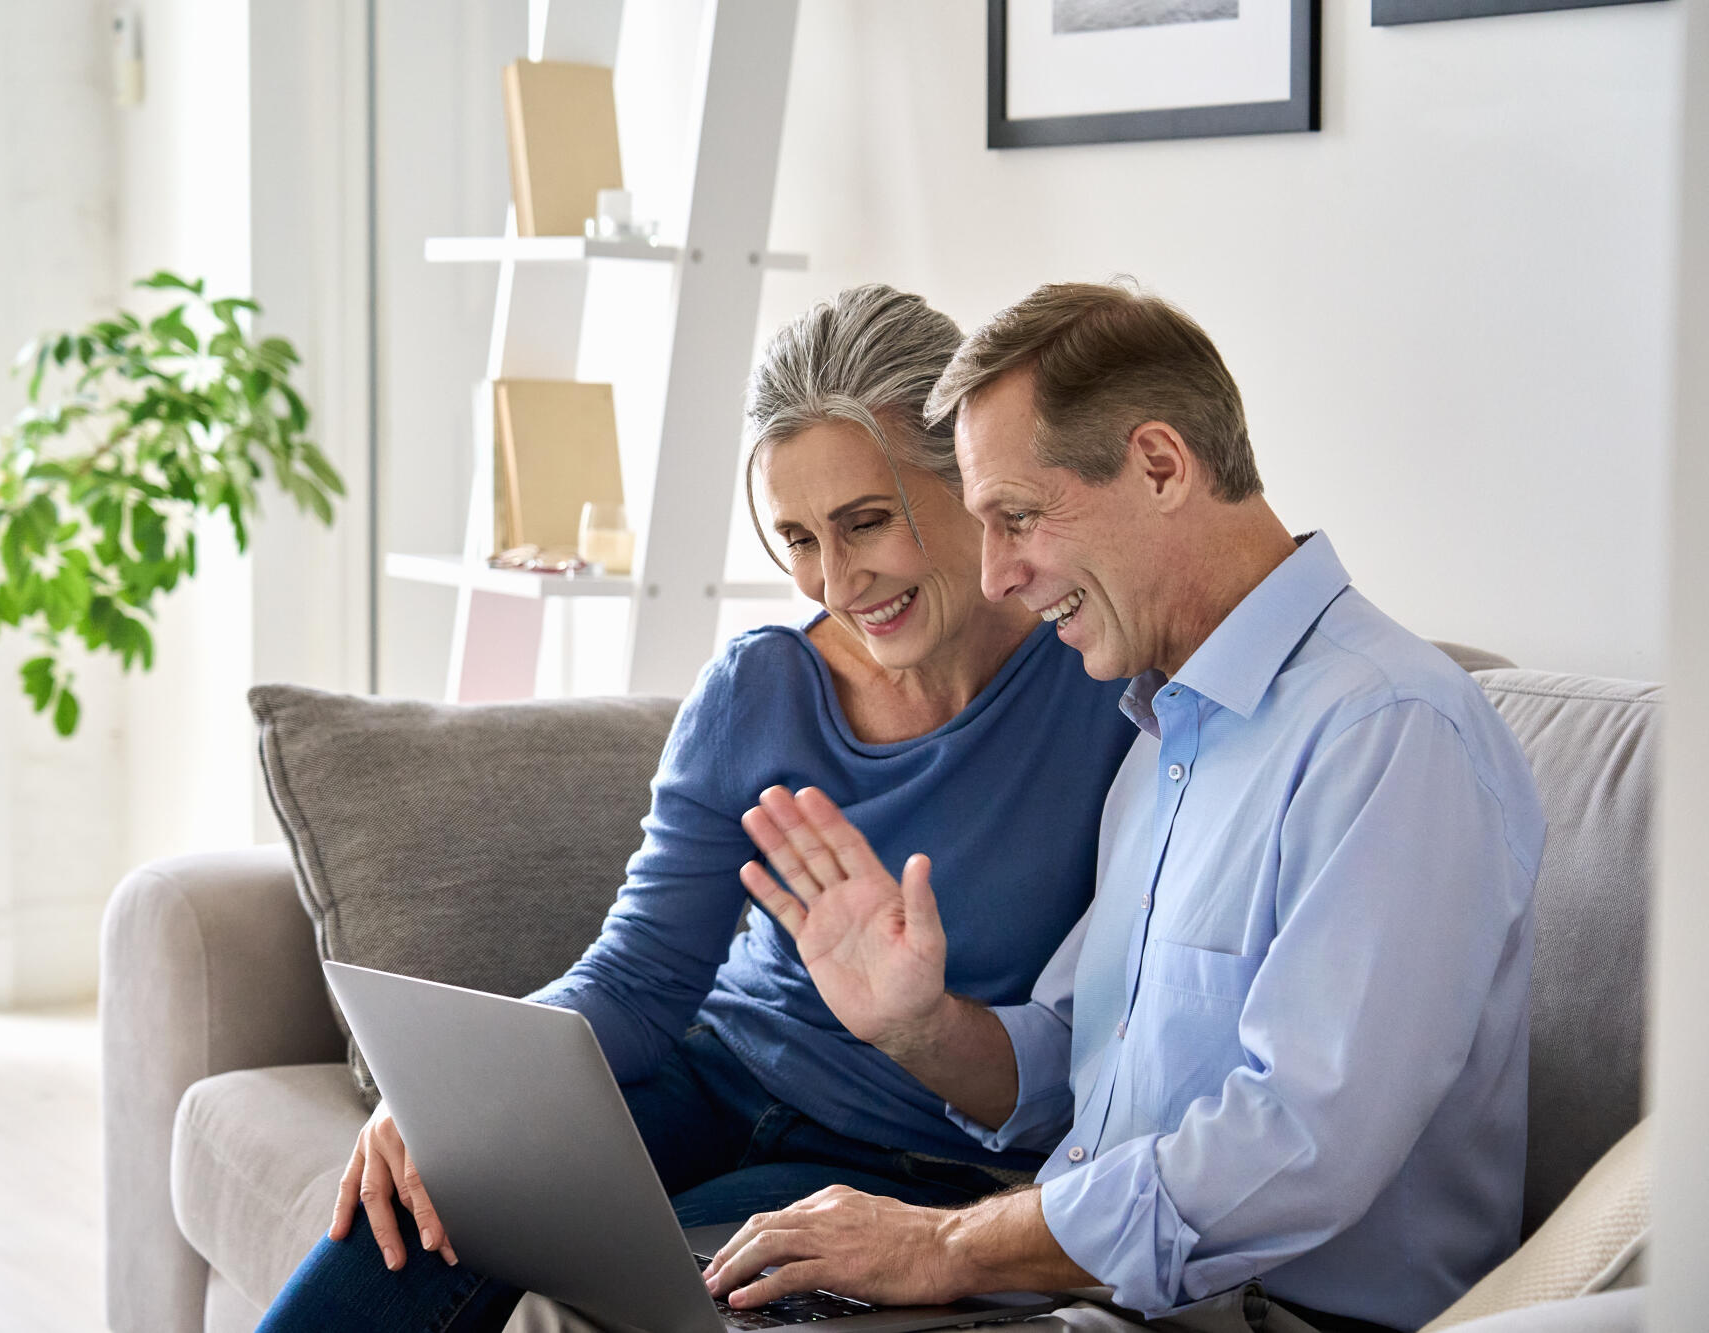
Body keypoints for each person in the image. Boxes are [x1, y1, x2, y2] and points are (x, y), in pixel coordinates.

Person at [254, 285, 1139, 1331]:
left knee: (680, 1291)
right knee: (416, 1210)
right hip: (709, 1075)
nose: (837, 580)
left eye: (865, 521)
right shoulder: (755, 692)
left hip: (906, 1158)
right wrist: (457, 1103)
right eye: (799, 538)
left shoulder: (1105, 688)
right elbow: (638, 976)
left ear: (971, 482)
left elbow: (1109, 1046)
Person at [708, 281, 1545, 1333]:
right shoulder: (1166, 730)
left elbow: (1296, 1147)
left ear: (1158, 464)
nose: (999, 575)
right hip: (1089, 1299)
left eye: (1015, 518)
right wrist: (917, 1024)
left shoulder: (1388, 730)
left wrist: (943, 1246)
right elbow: (1070, 1063)